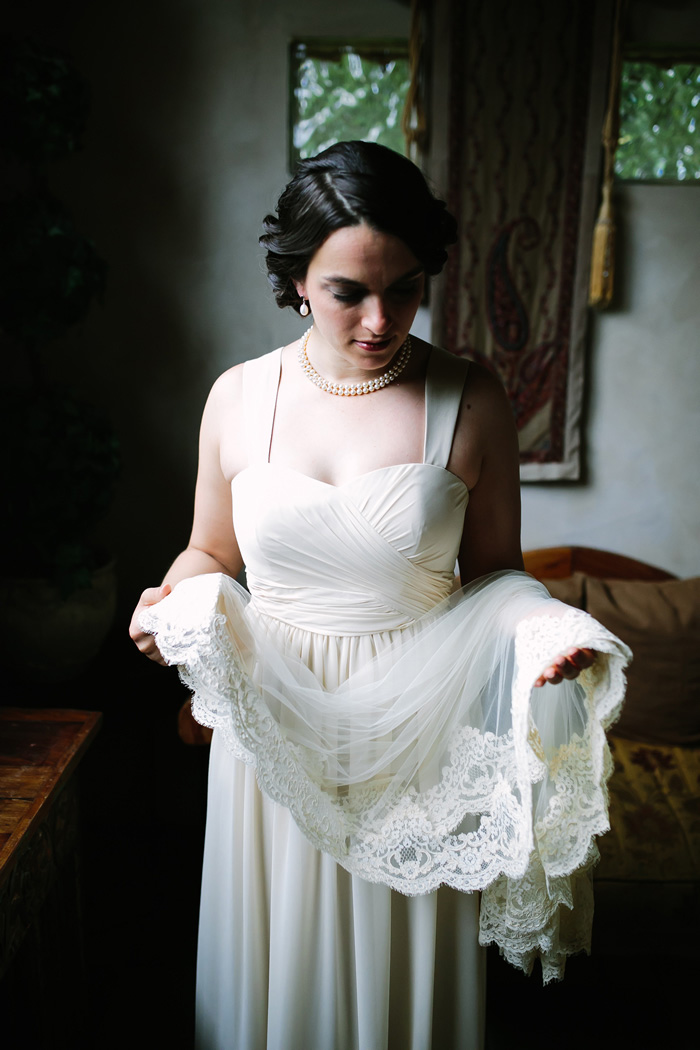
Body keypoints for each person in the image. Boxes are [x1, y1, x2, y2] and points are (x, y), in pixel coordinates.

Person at [129, 141, 629, 1050]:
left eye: (404, 287)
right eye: (348, 291)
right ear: (295, 282)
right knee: (273, 970)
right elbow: (211, 549)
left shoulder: (471, 400)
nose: (380, 317)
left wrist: (547, 630)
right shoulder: (237, 398)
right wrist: (171, 599)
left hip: (415, 741)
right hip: (275, 733)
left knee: (399, 998)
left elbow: (497, 576)